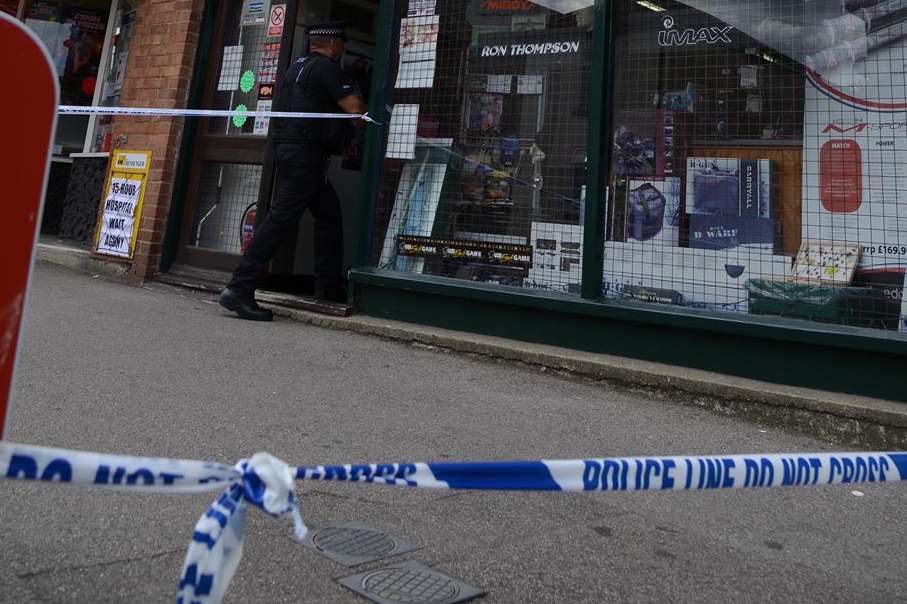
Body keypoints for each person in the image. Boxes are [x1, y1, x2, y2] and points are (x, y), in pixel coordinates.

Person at [219, 21, 368, 321]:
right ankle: (240, 286)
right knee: (280, 220)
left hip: (290, 152)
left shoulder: (294, 68)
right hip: (305, 157)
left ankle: (328, 287)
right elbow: (355, 108)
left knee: (328, 216)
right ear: (334, 44)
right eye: (341, 43)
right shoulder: (327, 68)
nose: (341, 48)